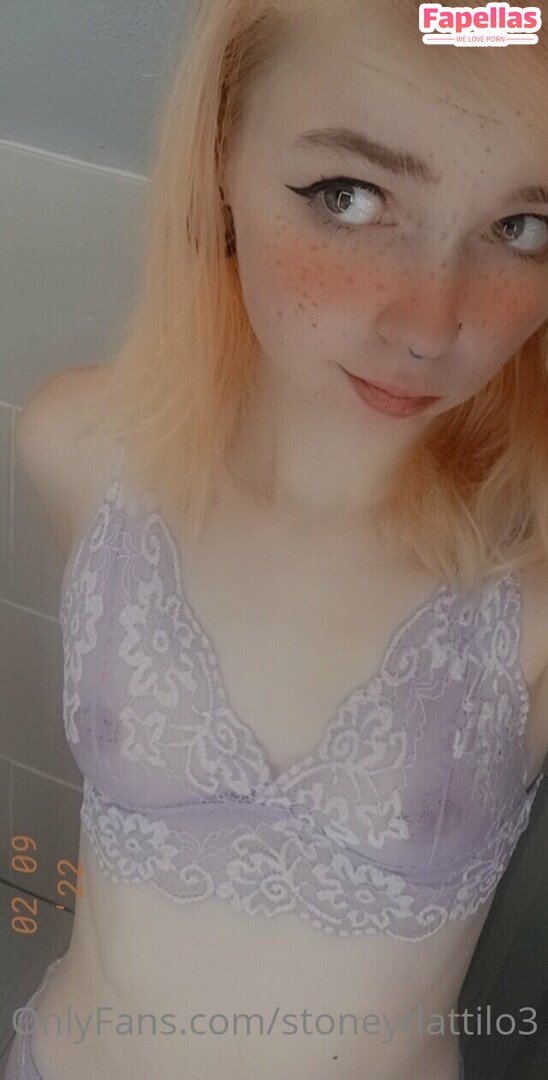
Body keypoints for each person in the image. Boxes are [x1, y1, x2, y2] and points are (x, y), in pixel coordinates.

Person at [6, 1, 548, 1077]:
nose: (429, 326)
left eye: (525, 227)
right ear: (219, 157)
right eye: (348, 196)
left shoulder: (530, 581)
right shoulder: (77, 447)